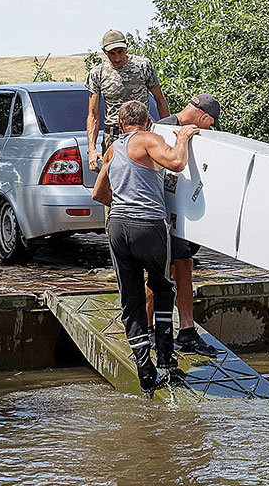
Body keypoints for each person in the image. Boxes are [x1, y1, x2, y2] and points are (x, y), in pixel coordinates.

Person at [92, 100, 199, 395]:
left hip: (117, 227)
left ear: (121, 124)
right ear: (148, 121)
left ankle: (144, 369)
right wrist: (183, 137)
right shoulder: (148, 139)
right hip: (149, 226)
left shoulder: (112, 150)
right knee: (162, 287)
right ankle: (165, 359)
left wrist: (123, 203)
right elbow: (177, 162)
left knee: (131, 298)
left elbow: (98, 193)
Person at [146, 94, 222, 357]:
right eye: (210, 123)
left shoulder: (194, 135)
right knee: (158, 272)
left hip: (181, 217)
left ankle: (187, 331)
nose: (210, 128)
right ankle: (147, 330)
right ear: (204, 117)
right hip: (160, 215)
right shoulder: (162, 129)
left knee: (185, 266)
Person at [85, 29, 170, 173]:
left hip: (142, 135)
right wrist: (92, 149)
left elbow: (160, 100)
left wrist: (168, 135)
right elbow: (93, 115)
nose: (117, 58)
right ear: (104, 52)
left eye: (120, 52)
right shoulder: (97, 73)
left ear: (126, 47)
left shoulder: (143, 66)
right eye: (112, 53)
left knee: (144, 179)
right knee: (114, 181)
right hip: (113, 137)